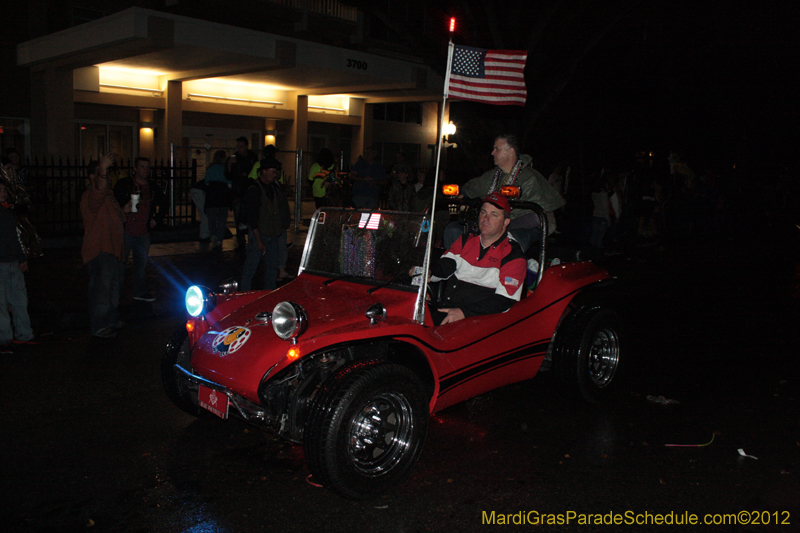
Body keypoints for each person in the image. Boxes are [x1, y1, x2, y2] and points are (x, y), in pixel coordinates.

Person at [445, 134, 566, 252]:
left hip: (523, 227)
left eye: (497, 149)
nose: (492, 153)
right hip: (494, 224)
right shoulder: (492, 175)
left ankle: (506, 269)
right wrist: (463, 196)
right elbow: (473, 187)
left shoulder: (529, 178)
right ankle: (456, 266)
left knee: (509, 241)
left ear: (510, 152)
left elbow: (537, 217)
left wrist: (503, 226)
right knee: (453, 229)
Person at [426, 192, 527, 325]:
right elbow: (447, 265)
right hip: (451, 310)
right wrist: (429, 271)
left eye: (494, 215)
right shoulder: (465, 241)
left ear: (506, 222)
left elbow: (505, 300)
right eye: (483, 212)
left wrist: (463, 312)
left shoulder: (513, 255)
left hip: (485, 320)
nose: (486, 218)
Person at [80, 154, 129, 338]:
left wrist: (125, 209)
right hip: (100, 251)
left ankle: (110, 320)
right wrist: (103, 167)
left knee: (113, 291)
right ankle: (99, 326)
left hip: (114, 251)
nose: (107, 178)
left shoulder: (109, 197)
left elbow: (115, 217)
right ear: (93, 177)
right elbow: (98, 190)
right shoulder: (90, 195)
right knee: (101, 291)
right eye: (103, 174)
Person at [113, 157, 167, 302]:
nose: (146, 170)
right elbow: (113, 202)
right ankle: (115, 295)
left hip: (143, 232)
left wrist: (156, 219)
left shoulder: (153, 187)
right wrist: (123, 209)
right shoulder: (124, 184)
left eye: (147, 167)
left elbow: (164, 203)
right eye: (142, 166)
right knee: (120, 265)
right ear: (135, 168)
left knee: (140, 265)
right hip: (126, 230)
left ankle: (139, 292)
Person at [241, 158, 290, 291]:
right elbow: (252, 218)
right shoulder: (254, 189)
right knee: (250, 268)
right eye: (273, 172)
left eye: (276, 172)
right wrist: (258, 240)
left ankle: (269, 294)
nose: (275, 175)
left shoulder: (274, 187)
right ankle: (244, 294)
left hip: (273, 235)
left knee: (272, 270)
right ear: (263, 171)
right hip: (260, 234)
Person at [0, 178, 34, 351]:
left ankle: (23, 334)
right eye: (1, 190)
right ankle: (4, 338)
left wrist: (21, 258)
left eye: (4, 190)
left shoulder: (7, 213)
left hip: (13, 262)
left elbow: (16, 238)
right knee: (2, 304)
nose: (4, 193)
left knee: (19, 301)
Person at [228, 136, 259, 250]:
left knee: (251, 216)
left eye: (242, 146)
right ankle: (241, 241)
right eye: (238, 147)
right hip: (238, 192)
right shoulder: (234, 158)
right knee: (239, 218)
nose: (239, 149)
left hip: (249, 192)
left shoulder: (252, 157)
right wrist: (230, 165)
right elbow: (228, 175)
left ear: (246, 146)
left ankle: (253, 238)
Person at [204, 150, 232, 248]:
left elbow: (206, 182)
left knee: (211, 218)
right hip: (223, 195)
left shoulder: (210, 168)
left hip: (211, 194)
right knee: (222, 219)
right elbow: (229, 183)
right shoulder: (225, 169)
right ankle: (219, 239)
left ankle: (213, 235)